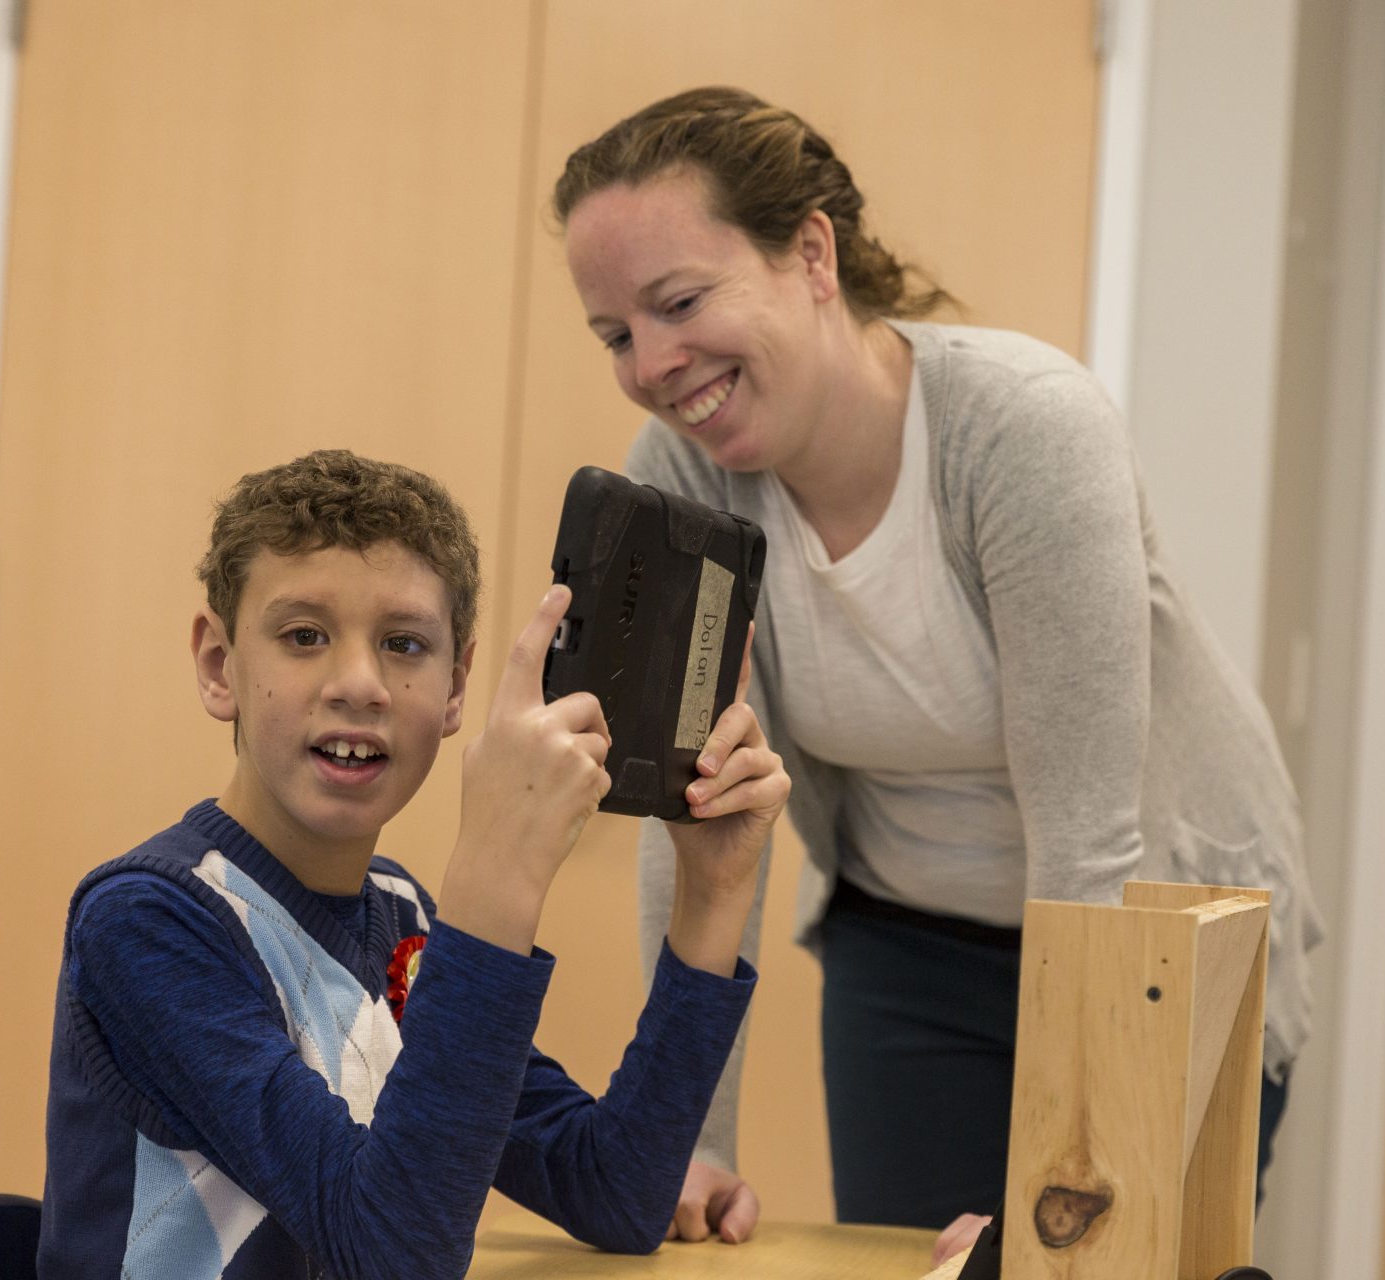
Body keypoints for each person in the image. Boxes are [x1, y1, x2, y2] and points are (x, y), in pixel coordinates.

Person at [553, 87, 1326, 1253]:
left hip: (1146, 933)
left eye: (680, 301)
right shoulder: (682, 474)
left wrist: (1074, 1170)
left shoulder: (1021, 429)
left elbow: (1089, 845)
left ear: (812, 253)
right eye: (616, 333)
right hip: (906, 944)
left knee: (1105, 1261)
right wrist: (690, 1138)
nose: (654, 363)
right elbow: (697, 817)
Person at [36, 449, 789, 1279]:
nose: (360, 682)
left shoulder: (402, 915)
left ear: (457, 684)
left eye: (404, 644)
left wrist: (714, 895)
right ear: (221, 666)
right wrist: (498, 873)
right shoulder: (147, 921)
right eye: (303, 636)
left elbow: (615, 1192)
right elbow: (393, 1255)